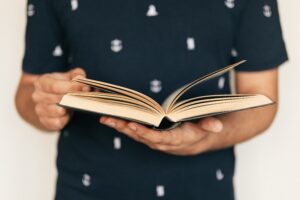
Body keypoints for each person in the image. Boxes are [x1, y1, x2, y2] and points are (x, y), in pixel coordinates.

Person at [15, 0, 288, 199]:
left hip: (204, 190)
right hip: (85, 189)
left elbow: (263, 99)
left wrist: (208, 138)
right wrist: (46, 103)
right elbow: (28, 90)